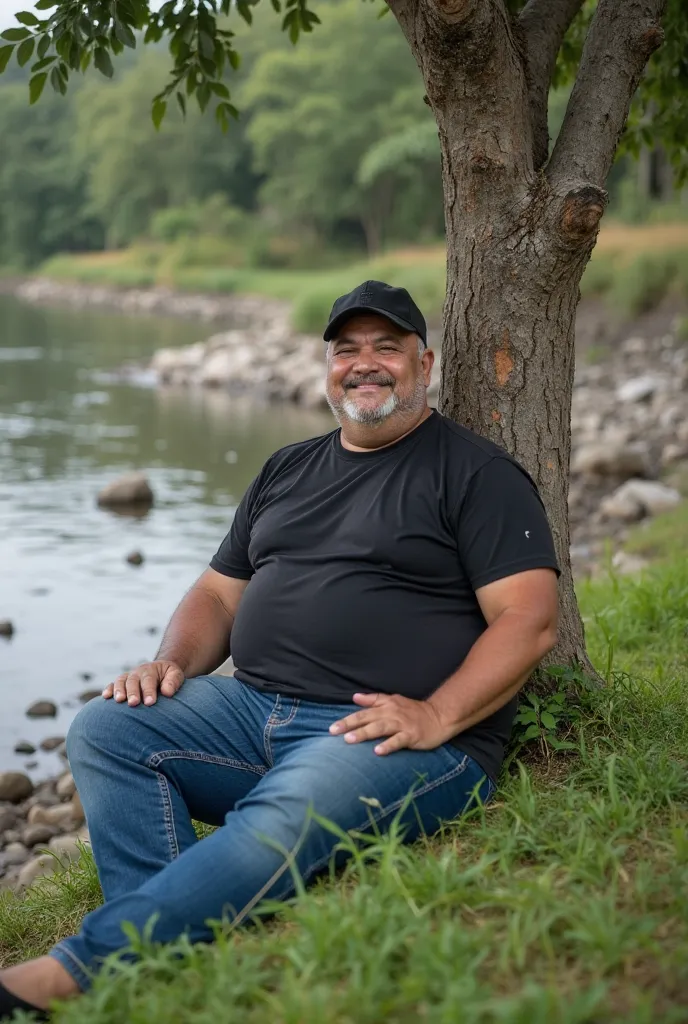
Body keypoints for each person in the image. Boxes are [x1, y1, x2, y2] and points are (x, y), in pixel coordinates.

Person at [0, 280, 559, 1018]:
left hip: (385, 735)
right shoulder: (287, 469)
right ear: (327, 369)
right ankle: (164, 952)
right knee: (107, 728)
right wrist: (172, 662)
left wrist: (438, 714)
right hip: (251, 709)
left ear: (424, 366)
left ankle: (75, 972)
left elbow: (530, 619)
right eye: (346, 351)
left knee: (285, 811)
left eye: (386, 349)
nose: (365, 365)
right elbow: (216, 595)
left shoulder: (474, 474)